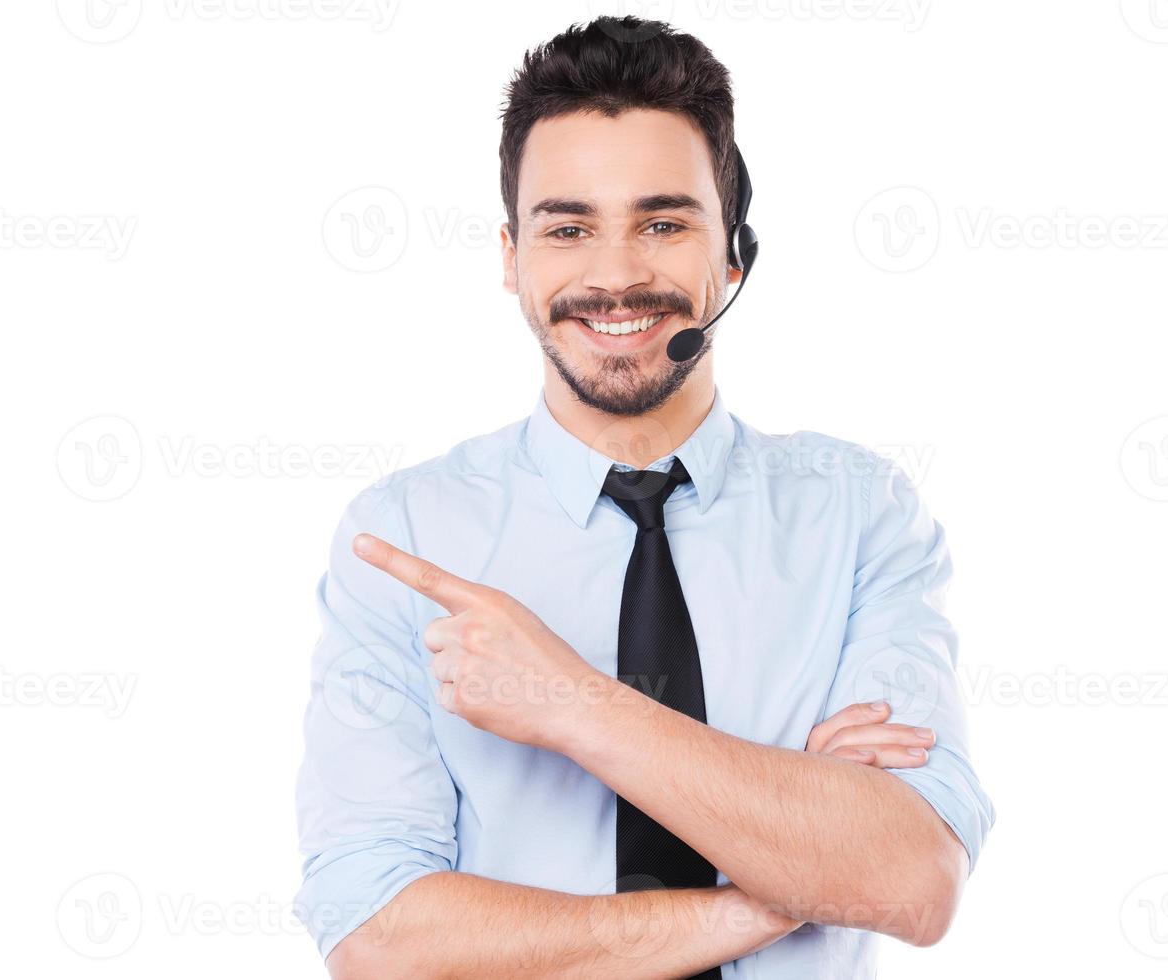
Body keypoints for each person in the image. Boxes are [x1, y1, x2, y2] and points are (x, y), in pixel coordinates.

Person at [293, 16, 994, 979]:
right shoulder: (403, 534)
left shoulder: (857, 512)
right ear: (511, 259)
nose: (615, 275)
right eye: (567, 227)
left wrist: (571, 703)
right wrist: (789, 878)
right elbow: (378, 938)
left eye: (663, 223)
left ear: (735, 256)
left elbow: (911, 880)